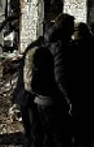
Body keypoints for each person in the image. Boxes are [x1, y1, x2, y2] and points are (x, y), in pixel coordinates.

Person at [33, 13, 76, 147]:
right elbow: (60, 77)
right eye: (72, 28)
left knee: (48, 139)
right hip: (54, 99)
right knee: (61, 138)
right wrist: (69, 99)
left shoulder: (46, 42)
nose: (73, 32)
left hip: (41, 98)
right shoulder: (60, 47)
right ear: (66, 28)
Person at [14, 35, 46, 147]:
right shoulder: (41, 51)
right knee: (36, 132)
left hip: (23, 95)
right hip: (32, 97)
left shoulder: (31, 48)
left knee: (30, 132)